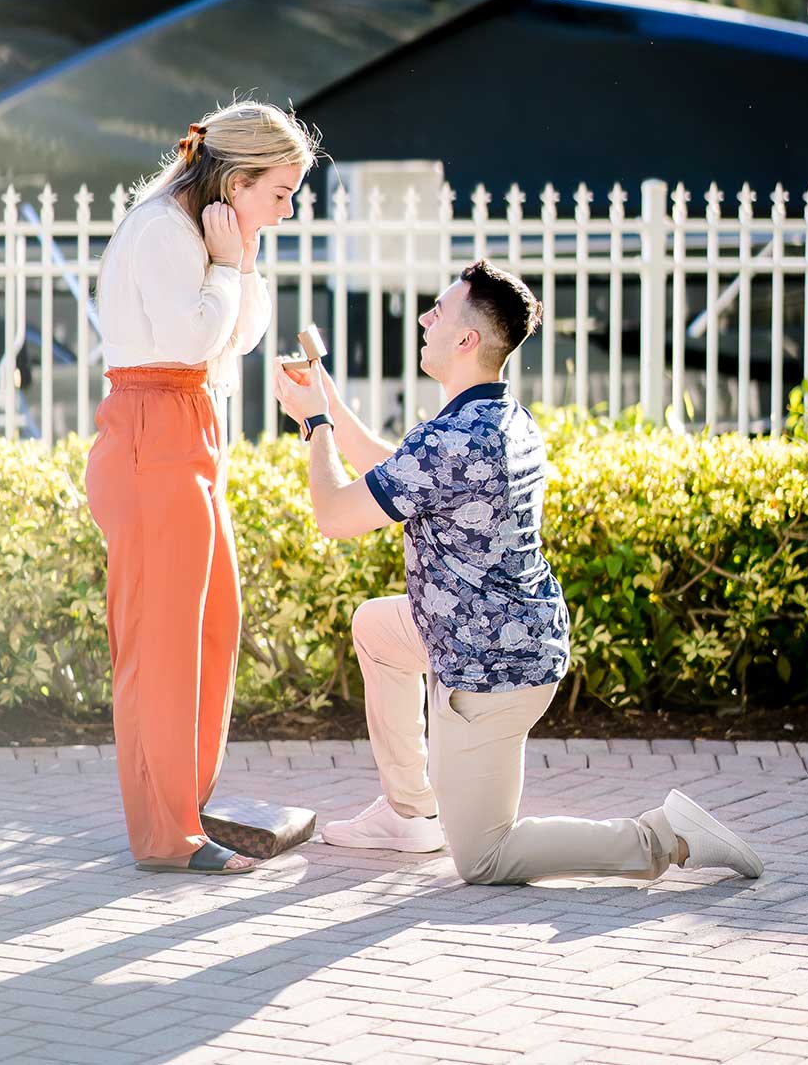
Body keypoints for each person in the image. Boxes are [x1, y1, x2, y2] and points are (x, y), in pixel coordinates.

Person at [274, 259, 764, 887]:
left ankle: (665, 839)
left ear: (466, 340)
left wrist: (314, 424)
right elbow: (395, 470)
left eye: (439, 312)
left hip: (489, 672)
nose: (425, 317)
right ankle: (408, 812)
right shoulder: (498, 418)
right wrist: (333, 401)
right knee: (375, 626)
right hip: (501, 635)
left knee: (483, 858)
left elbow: (335, 515)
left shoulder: (454, 441)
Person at [86, 100, 318, 875]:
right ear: (236, 176)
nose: (287, 209)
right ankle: (166, 834)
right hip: (153, 427)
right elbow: (193, 336)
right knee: (161, 643)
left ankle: (186, 802)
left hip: (188, 423)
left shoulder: (209, 232)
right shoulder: (161, 230)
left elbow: (240, 335)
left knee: (214, 621)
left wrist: (237, 258)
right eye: (279, 191)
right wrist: (226, 265)